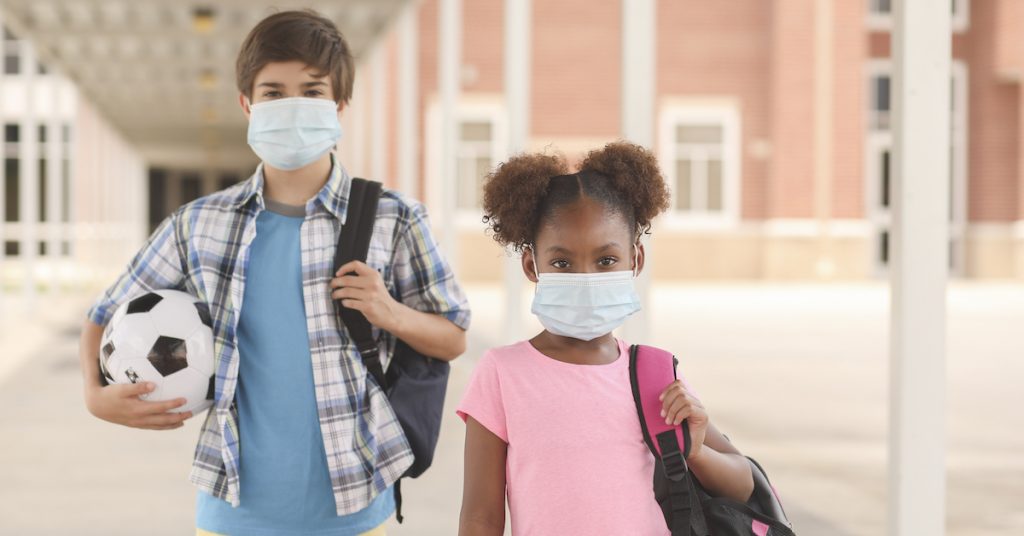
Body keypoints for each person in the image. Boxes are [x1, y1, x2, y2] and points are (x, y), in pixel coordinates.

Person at [77, 10, 471, 536]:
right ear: (246, 105)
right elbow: (103, 313)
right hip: (231, 514)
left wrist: (389, 312)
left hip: (357, 509)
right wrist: (94, 395)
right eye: (273, 92)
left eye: (312, 91)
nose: (293, 106)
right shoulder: (197, 225)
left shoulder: (394, 218)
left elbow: (452, 337)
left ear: (339, 106)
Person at [456, 142, 754, 535]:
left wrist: (694, 451)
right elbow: (481, 516)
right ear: (532, 265)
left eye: (606, 260)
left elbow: (744, 483)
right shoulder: (502, 373)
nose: (586, 279)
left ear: (636, 259)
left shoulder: (654, 374)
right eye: (562, 262)